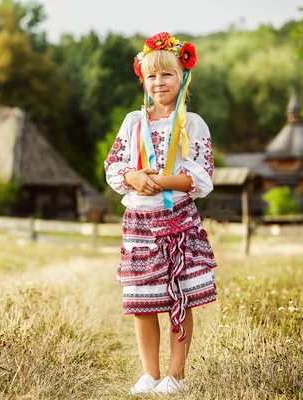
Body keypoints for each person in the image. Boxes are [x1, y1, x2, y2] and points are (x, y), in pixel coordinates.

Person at [104, 32, 218, 395]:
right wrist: (134, 176)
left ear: (183, 76)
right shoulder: (132, 123)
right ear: (143, 80)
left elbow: (202, 175)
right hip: (140, 222)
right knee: (143, 300)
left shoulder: (192, 123)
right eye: (151, 76)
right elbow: (112, 166)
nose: (159, 83)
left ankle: (176, 375)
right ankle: (149, 374)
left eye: (167, 75)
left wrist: (162, 181)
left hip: (177, 220)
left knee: (178, 298)